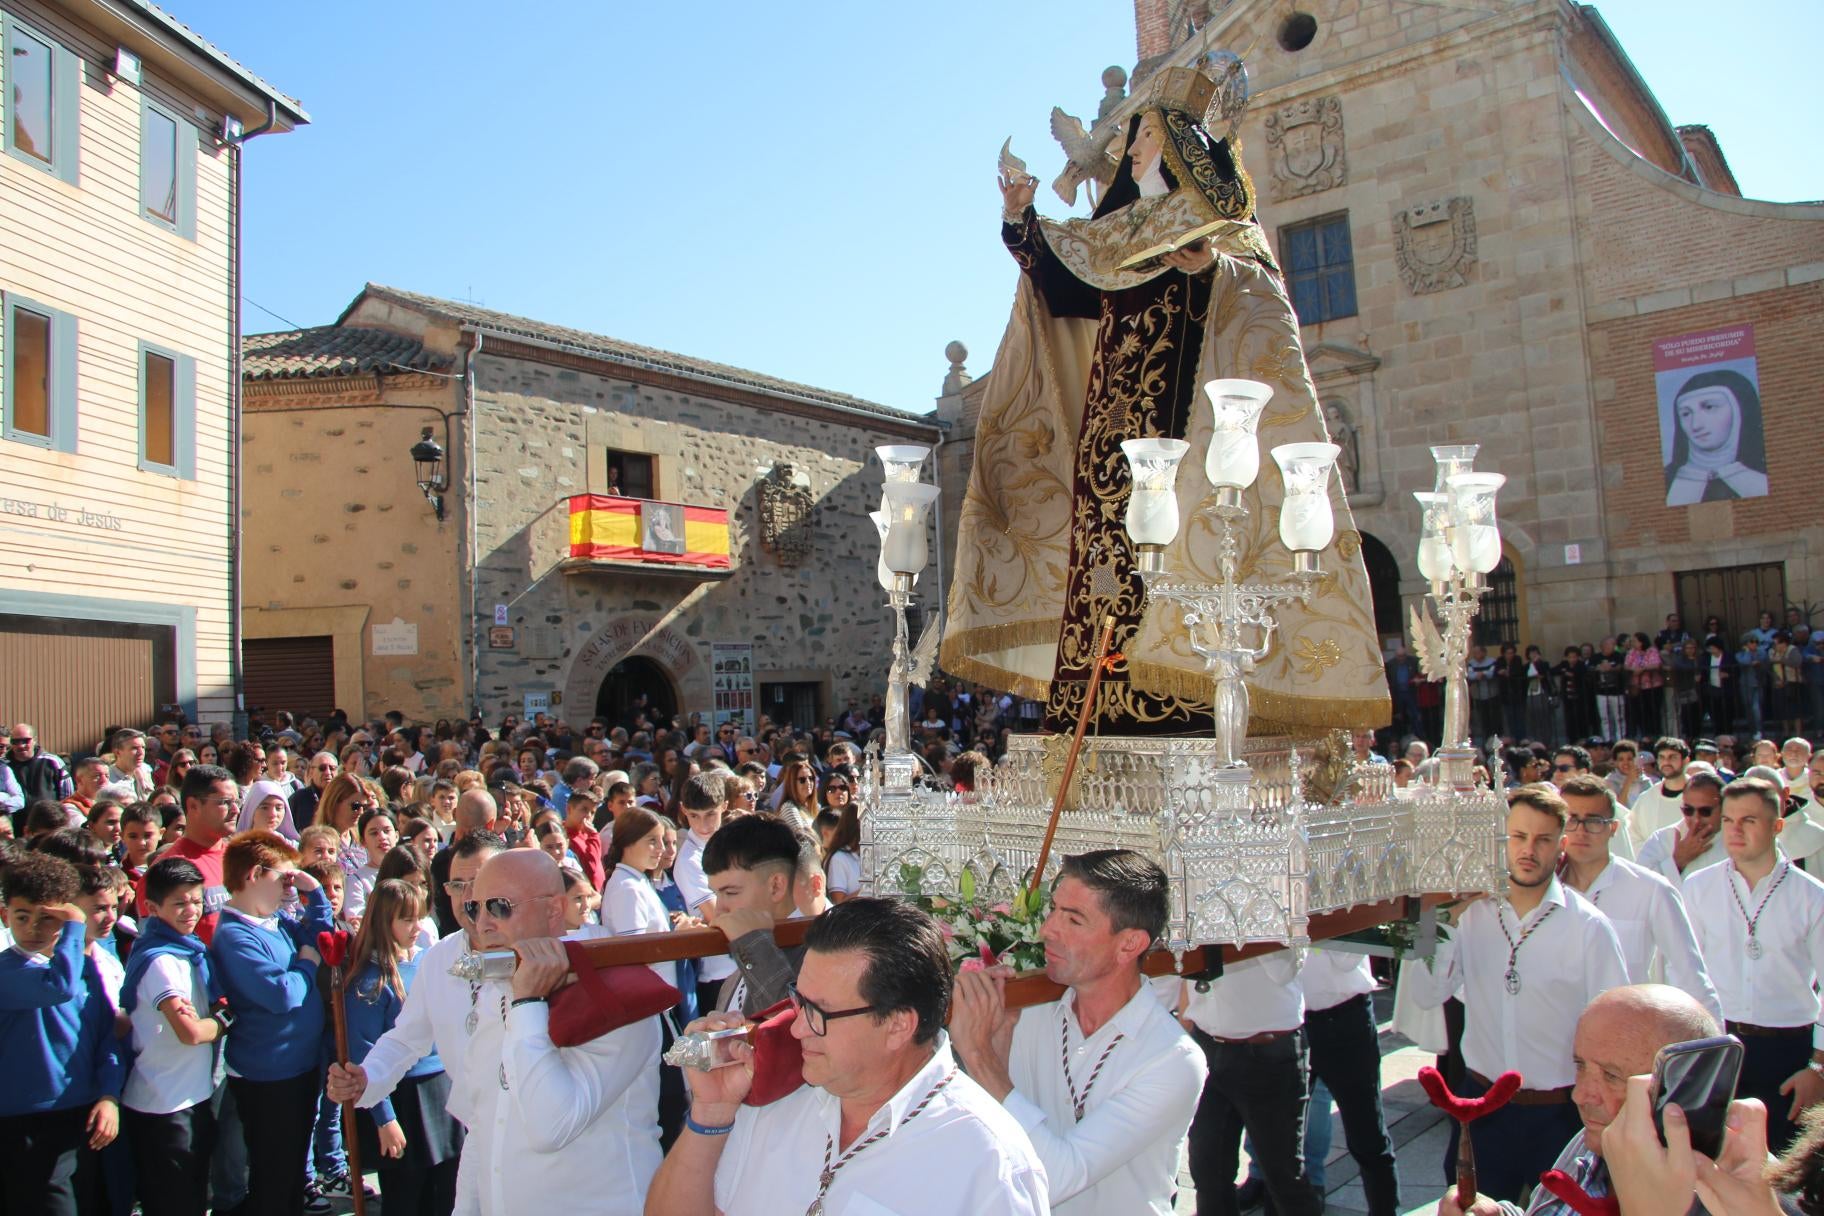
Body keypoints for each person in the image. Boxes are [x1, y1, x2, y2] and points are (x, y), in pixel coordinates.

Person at [645, 896, 1048, 1215]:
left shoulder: (988, 1159)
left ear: (897, 1025)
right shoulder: (774, 1100)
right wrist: (710, 1116)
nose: (797, 1027)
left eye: (818, 1013)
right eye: (797, 1001)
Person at [1404, 785, 1630, 1202]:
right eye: (1518, 837)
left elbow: (1616, 1029)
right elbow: (1424, 992)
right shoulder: (1468, 915)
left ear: (1560, 846)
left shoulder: (1589, 928)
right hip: (1482, 1107)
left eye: (1543, 839)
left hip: (1560, 1113)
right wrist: (1443, 922)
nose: (1529, 850)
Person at [951, 849, 1204, 1214]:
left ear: (1129, 944)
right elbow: (982, 1148)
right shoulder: (1031, 1011)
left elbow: (1056, 1179)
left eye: (1073, 920)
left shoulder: (1172, 1060)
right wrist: (998, 1046)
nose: (1046, 930)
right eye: (1053, 909)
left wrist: (978, 1056)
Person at [454, 850, 662, 1215]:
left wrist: (528, 1003)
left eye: (500, 907)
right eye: (474, 909)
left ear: (553, 910)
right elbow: (485, 1126)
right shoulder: (495, 992)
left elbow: (551, 1126)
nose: (482, 924)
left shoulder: (617, 998)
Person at [329, 831, 506, 1214]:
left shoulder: (546, 951)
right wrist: (366, 1076)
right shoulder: (439, 958)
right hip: (480, 1139)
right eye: (459, 885)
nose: (468, 897)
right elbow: (405, 1039)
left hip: (544, 1148)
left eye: (480, 883)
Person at [1437, 983, 1719, 1216]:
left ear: (1683, 1093)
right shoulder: (1591, 1140)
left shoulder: (1709, 1200)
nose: (1580, 1094)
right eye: (1580, 1065)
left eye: (1611, 1076)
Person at [1684, 776, 1824, 1152]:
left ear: (1777, 826)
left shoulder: (1812, 897)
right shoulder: (1698, 887)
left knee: (1786, 1176)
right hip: (1719, 1044)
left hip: (1789, 1049)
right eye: (1728, 820)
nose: (1735, 830)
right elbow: (1685, 974)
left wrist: (1818, 1067)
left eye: (1749, 820)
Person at [210, 829, 334, 1216]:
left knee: (291, 1173)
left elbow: (321, 936)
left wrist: (315, 895)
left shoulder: (275, 921)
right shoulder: (233, 934)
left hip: (296, 1066)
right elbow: (283, 994)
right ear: (253, 875)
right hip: (269, 1076)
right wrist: (306, 962)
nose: (287, 887)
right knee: (273, 1177)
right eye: (282, 878)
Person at [0, 851, 125, 1216]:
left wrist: (109, 1095)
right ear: (5, 915)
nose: (35, 928)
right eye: (23, 917)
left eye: (48, 917)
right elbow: (59, 988)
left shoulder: (81, 966)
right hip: (27, 1121)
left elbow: (105, 1036)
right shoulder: (8, 971)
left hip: (84, 1112)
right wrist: (73, 926)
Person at [340, 877, 463, 1215]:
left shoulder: (429, 960)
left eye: (419, 917)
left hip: (442, 1088)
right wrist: (384, 1119)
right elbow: (364, 1053)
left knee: (448, 1193)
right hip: (404, 1097)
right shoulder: (371, 980)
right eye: (406, 919)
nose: (416, 927)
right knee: (408, 1198)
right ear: (385, 922)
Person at [1557, 774, 1721, 1019]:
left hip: (1623, 1036)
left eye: (1593, 821)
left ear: (1613, 828)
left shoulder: (1650, 890)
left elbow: (1692, 976)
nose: (1581, 831)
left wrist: (1716, 1050)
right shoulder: (1540, 891)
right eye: (1571, 820)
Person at [119, 857, 225, 1216]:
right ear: (152, 908)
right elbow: (192, 1032)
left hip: (189, 1096)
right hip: (164, 1106)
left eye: (196, 901)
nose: (191, 910)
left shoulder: (188, 948)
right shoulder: (162, 962)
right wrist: (225, 1020)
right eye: (179, 903)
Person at [701, 815, 810, 1018]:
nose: (719, 910)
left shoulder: (824, 957)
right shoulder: (732, 982)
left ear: (776, 886)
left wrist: (751, 943)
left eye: (731, 893)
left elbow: (798, 1027)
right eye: (716, 894)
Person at [135, 764, 238, 942]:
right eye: (225, 802)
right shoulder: (166, 871)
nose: (236, 810)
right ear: (193, 805)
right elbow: (155, 944)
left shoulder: (240, 858)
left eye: (238, 801)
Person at [673, 773, 737, 1011]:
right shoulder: (689, 861)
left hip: (740, 964)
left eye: (711, 814)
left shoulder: (728, 844)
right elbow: (718, 917)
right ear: (683, 810)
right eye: (694, 816)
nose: (703, 825)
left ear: (724, 806)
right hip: (718, 972)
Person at [1664, 368, 1769, 506]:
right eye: (1686, 414)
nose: (1696, 425)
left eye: (1709, 407)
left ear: (1739, 411)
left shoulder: (1766, 473)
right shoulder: (1667, 480)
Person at [1636, 766, 1729, 888]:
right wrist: (1677, 861)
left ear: (1724, 808)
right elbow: (1639, 885)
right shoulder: (1663, 839)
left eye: (1705, 811)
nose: (1696, 819)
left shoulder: (1737, 840)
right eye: (1688, 810)